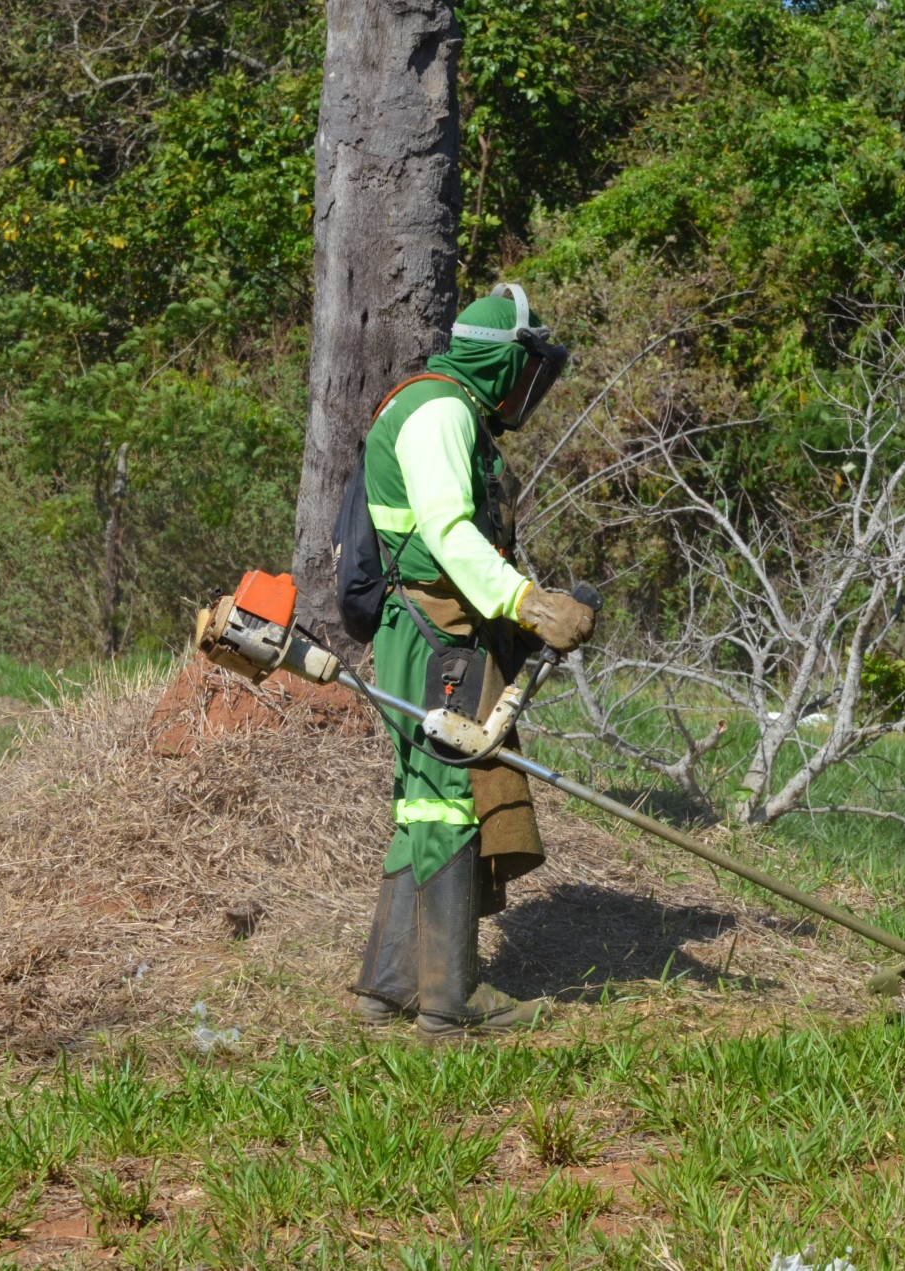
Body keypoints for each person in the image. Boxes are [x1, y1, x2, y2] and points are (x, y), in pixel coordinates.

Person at [350, 283, 597, 1039]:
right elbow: (451, 536)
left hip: (425, 628)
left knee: (421, 801)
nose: (534, 386)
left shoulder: (441, 406)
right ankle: (450, 999)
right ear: (504, 362)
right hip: (431, 630)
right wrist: (530, 603)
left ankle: (389, 984)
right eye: (531, 368)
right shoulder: (442, 413)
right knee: (449, 796)